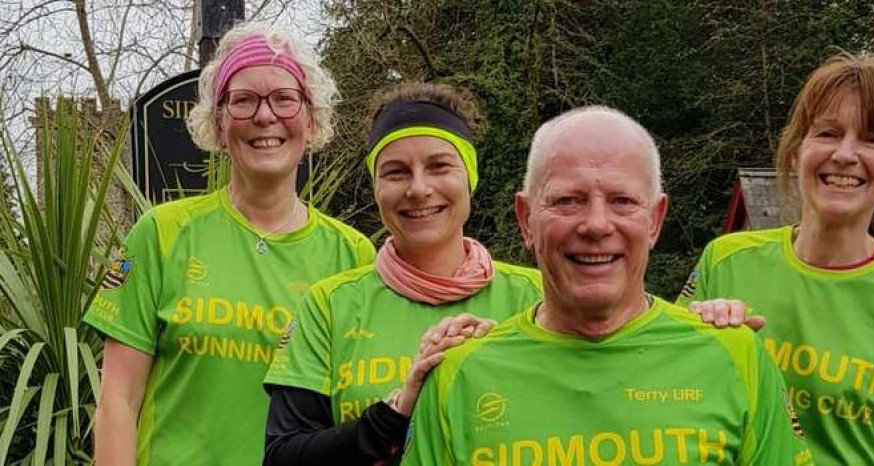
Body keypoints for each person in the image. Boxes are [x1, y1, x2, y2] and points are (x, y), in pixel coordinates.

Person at [401, 106, 813, 465]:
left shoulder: (735, 357)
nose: (597, 225)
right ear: (527, 219)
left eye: (622, 201)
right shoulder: (460, 376)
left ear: (654, 220)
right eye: (567, 200)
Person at [84, 22, 375, 466]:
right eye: (243, 101)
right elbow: (117, 401)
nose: (264, 115)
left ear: (311, 119)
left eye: (284, 98)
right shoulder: (159, 234)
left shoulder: (353, 256)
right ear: (218, 125)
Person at [678, 52, 874, 465]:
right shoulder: (726, 261)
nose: (845, 153)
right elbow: (671, 409)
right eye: (828, 133)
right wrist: (696, 342)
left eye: (872, 139)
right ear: (796, 148)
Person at [261, 82, 544, 465]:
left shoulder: (535, 297)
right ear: (376, 187)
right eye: (396, 172)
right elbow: (282, 457)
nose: (419, 188)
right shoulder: (329, 306)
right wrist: (392, 415)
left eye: (439, 166)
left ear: (470, 176)